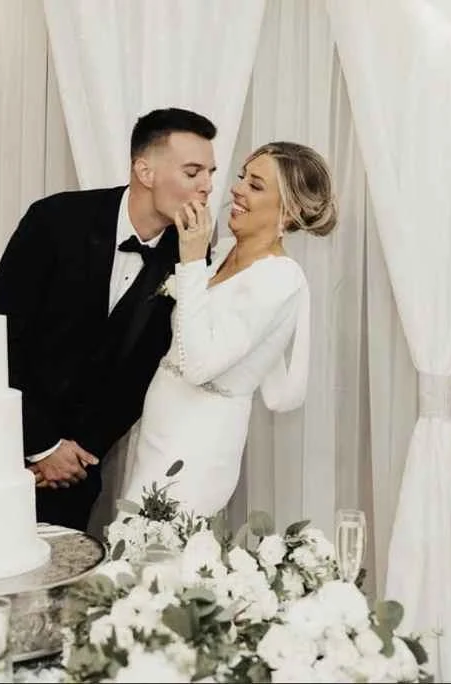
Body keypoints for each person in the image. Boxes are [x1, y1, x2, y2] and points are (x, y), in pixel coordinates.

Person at [0, 107, 218, 531]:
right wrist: (41, 446)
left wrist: (78, 454)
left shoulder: (190, 253)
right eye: (193, 172)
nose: (207, 186)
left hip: (77, 469)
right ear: (145, 170)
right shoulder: (54, 221)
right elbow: (0, 337)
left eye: (210, 172)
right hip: (0, 445)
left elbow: (146, 371)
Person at [118, 141, 337, 517]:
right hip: (160, 428)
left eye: (255, 185)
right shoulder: (220, 251)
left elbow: (200, 365)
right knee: (132, 552)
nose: (236, 189)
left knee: (154, 558)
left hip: (200, 439)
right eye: (241, 178)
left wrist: (188, 262)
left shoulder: (278, 278)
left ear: (290, 211)